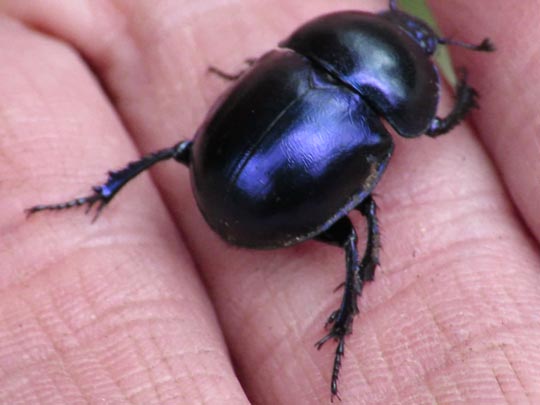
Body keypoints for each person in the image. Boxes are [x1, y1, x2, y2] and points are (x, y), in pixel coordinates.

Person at [1, 0, 538, 403]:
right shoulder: (366, 106)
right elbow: (439, 123)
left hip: (227, 175)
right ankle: (343, 323)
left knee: (179, 151)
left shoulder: (287, 60)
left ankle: (99, 194)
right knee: (355, 231)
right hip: (259, 201)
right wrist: (463, 91)